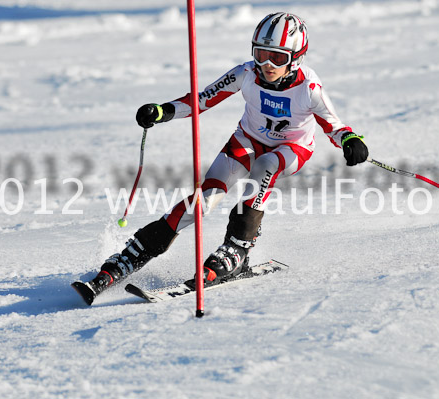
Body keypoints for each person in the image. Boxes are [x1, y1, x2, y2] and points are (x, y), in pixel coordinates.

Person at [73, 12, 368, 304]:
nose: (266, 65)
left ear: (296, 58)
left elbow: (335, 126)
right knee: (203, 200)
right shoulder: (246, 73)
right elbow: (202, 100)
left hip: (290, 150)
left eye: (277, 58)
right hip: (246, 142)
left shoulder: (308, 88)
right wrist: (163, 111)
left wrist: (351, 141)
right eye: (261, 54)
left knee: (265, 166)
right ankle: (130, 256)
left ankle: (237, 248)